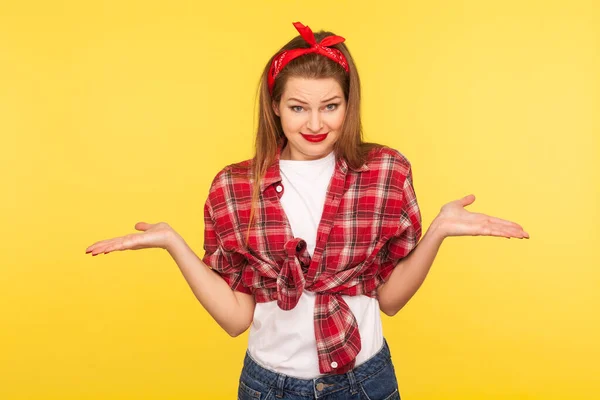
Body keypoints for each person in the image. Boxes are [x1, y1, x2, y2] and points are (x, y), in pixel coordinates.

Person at [85, 21, 529, 400]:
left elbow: (389, 300)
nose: (315, 124)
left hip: (366, 381)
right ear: (275, 107)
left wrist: (438, 232)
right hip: (268, 385)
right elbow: (237, 319)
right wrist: (172, 243)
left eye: (330, 107)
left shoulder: (385, 171)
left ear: (348, 105)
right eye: (298, 108)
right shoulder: (235, 187)